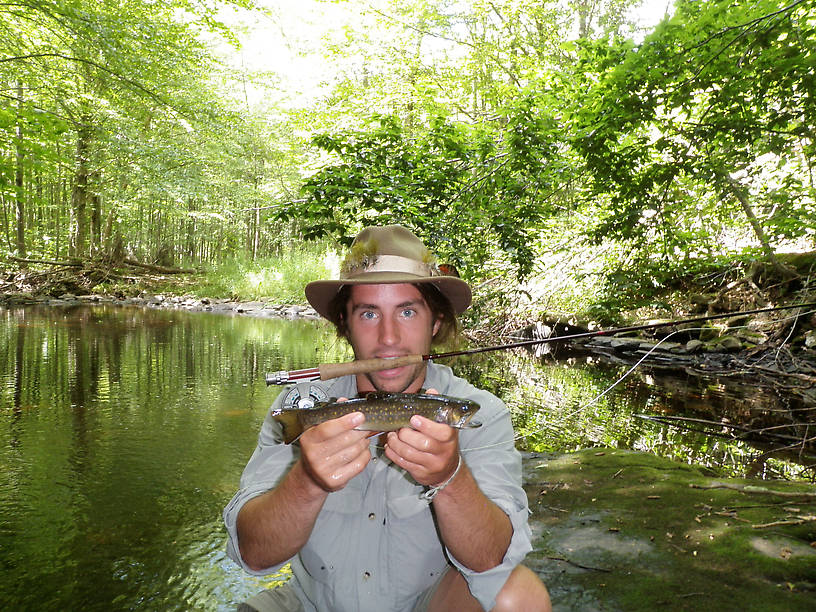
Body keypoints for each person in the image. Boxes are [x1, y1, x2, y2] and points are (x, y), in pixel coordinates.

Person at [223, 225, 551, 612]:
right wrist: (307, 482)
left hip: (429, 603)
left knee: (520, 598)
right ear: (345, 325)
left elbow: (491, 559)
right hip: (312, 604)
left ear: (435, 322)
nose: (389, 338)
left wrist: (450, 478)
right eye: (368, 314)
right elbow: (255, 555)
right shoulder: (303, 406)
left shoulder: (482, 411)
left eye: (407, 311)